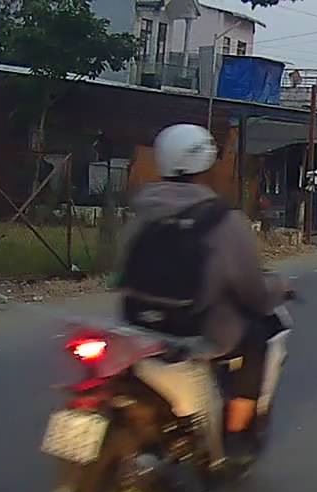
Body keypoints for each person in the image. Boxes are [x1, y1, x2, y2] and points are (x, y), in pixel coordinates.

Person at [116, 124, 287, 467]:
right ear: (207, 166)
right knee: (257, 335)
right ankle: (236, 436)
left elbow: (120, 270)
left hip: (138, 322)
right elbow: (251, 289)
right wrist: (276, 291)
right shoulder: (223, 219)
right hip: (194, 327)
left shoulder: (142, 210)